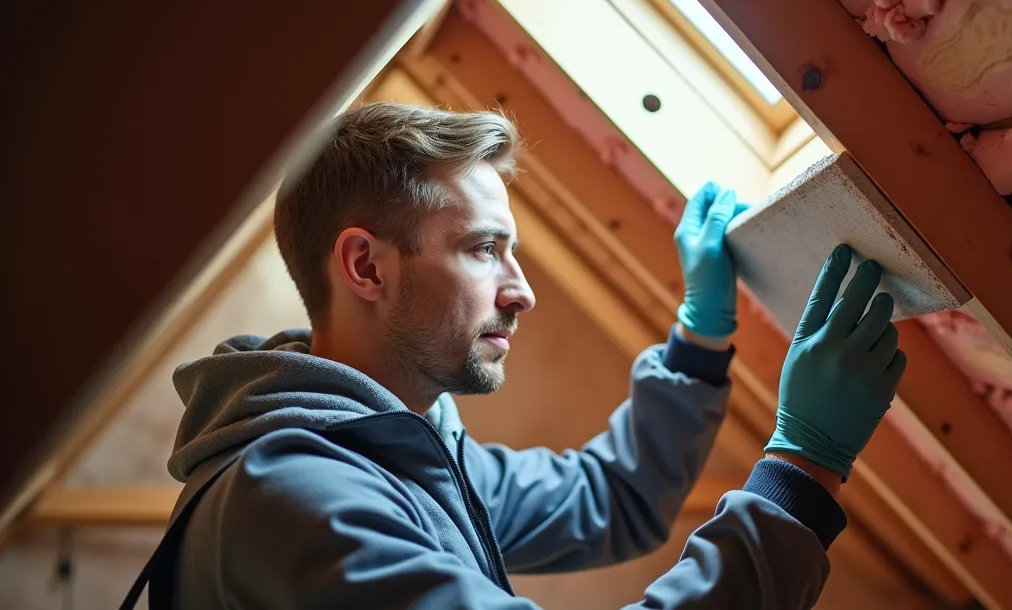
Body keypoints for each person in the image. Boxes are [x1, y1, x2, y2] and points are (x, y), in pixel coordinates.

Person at [124, 102, 906, 609]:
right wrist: (805, 463)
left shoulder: (398, 446)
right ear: (366, 266)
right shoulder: (298, 498)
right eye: (483, 249)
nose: (521, 291)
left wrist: (699, 340)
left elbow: (612, 500)